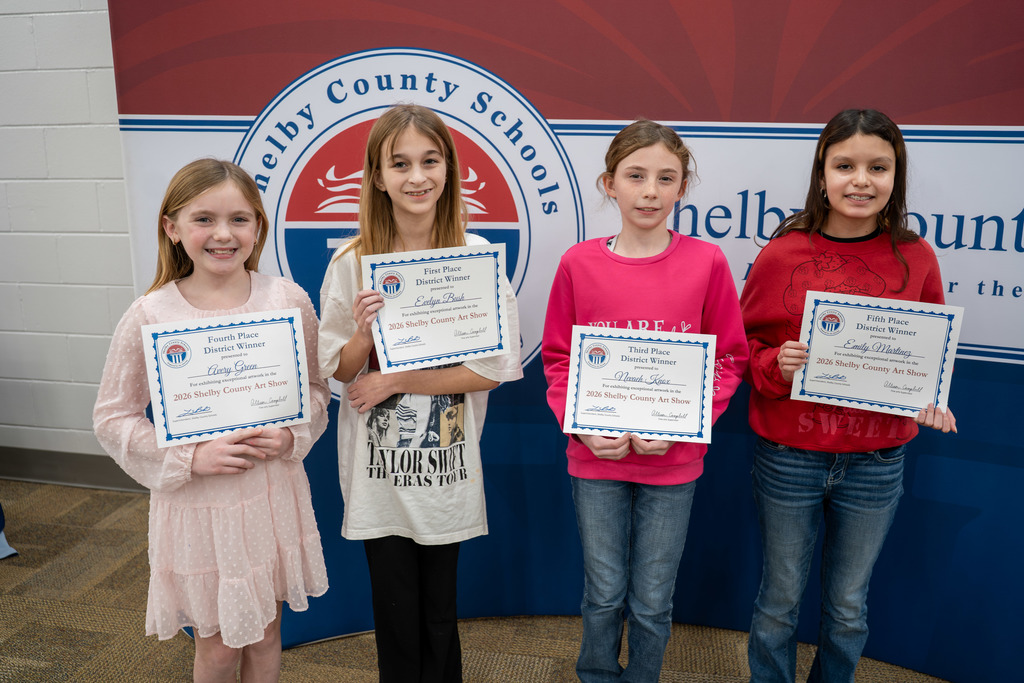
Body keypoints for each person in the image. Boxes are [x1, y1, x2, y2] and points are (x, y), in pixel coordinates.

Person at [741, 109, 957, 683]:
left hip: (876, 462)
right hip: (789, 457)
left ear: (896, 175)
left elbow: (925, 353)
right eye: (845, 165)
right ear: (822, 171)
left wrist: (930, 396)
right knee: (779, 601)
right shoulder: (784, 252)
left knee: (847, 609)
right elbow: (744, 347)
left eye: (877, 167)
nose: (861, 180)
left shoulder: (917, 257)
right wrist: (775, 365)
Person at [93, 159, 330, 683]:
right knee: (219, 647)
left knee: (267, 635)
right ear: (172, 228)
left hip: (271, 492)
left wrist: (291, 432)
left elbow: (315, 391)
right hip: (199, 505)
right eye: (204, 219)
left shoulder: (287, 300)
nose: (223, 234)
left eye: (239, 220)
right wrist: (189, 456)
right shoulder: (151, 314)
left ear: (258, 228)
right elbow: (113, 418)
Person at [318, 104, 522, 683]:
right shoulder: (352, 262)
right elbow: (338, 369)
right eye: (399, 163)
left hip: (446, 469)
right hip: (379, 472)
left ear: (449, 169)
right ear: (377, 176)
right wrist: (362, 334)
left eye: (430, 161)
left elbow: (493, 371)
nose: (416, 177)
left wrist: (399, 378)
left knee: (439, 611)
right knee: (393, 610)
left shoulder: (474, 258)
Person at [542, 119, 748, 682]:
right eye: (636, 176)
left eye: (666, 178)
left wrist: (685, 427)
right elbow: (559, 359)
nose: (650, 191)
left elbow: (729, 358)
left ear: (683, 187)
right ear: (610, 184)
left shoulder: (707, 263)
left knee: (653, 600)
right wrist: (580, 427)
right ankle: (597, 676)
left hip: (673, 462)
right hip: (595, 458)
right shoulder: (577, 264)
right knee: (603, 593)